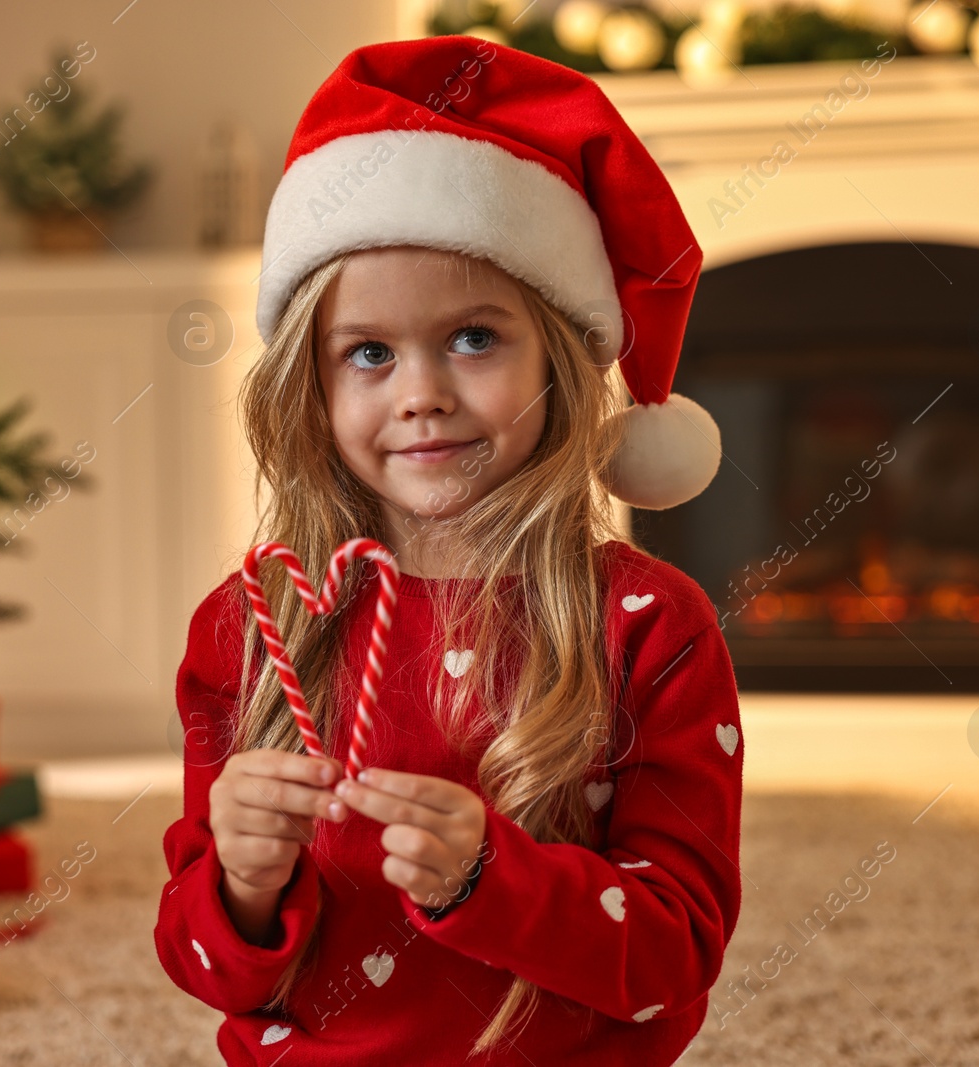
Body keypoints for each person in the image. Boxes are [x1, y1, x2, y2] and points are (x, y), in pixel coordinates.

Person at [153, 34, 743, 1065]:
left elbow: (676, 951)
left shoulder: (651, 627)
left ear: (559, 356)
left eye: (474, 337)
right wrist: (240, 881)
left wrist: (491, 877)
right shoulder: (254, 623)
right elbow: (203, 963)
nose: (419, 392)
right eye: (368, 352)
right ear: (313, 385)